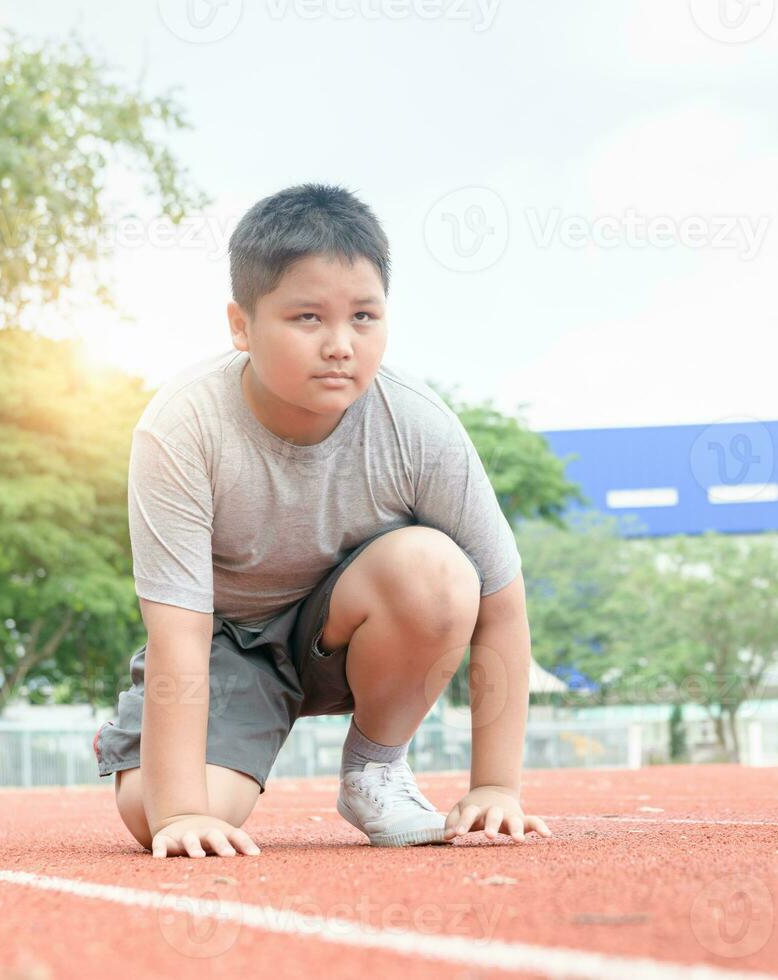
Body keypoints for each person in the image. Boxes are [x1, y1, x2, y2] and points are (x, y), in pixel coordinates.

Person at [93, 184, 552, 858]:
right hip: (228, 645)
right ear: (241, 325)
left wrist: (497, 787)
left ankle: (375, 769)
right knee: (156, 818)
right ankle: (201, 750)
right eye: (308, 318)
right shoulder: (184, 426)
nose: (341, 345)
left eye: (364, 316)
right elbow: (180, 632)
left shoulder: (420, 428)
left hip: (350, 632)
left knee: (439, 570)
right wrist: (181, 810)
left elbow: (501, 605)